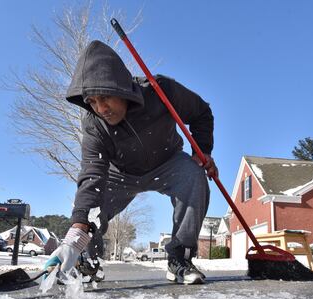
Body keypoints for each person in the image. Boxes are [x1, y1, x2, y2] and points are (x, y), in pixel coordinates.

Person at [44, 40, 217, 285]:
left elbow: (201, 112)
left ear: (121, 87)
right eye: (92, 101)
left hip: (168, 163)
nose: (100, 108)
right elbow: (91, 173)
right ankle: (87, 262)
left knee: (194, 176)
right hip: (120, 175)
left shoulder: (161, 90)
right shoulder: (93, 124)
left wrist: (203, 151)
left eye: (105, 98)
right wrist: (75, 234)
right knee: (90, 205)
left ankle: (180, 258)